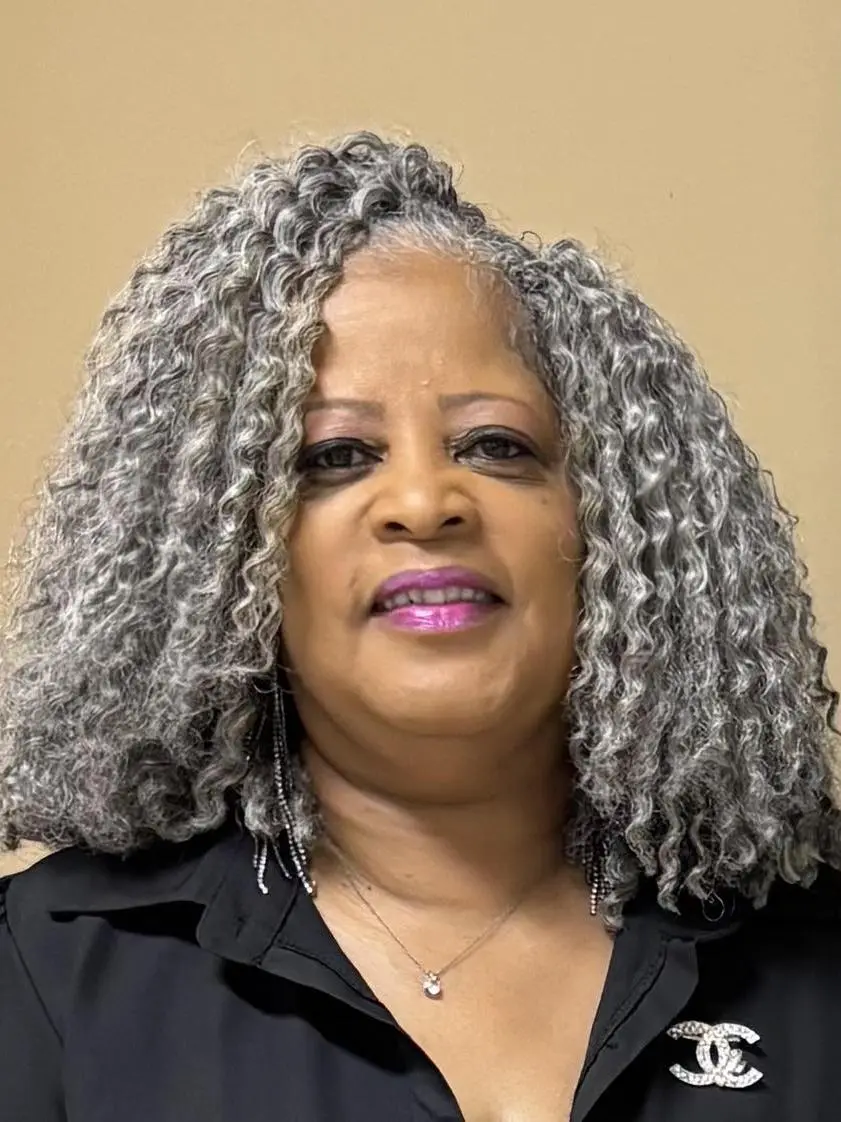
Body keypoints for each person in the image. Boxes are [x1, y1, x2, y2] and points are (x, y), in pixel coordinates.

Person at [0, 130, 839, 1122]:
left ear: (610, 520)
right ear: (217, 554)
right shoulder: (43, 980)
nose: (423, 500)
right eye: (334, 456)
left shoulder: (817, 968)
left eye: (493, 444)